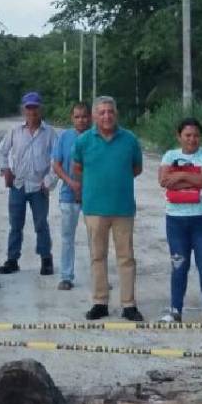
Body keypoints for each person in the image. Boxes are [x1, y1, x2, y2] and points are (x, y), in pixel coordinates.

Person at [71, 96, 144, 321]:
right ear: (94, 115)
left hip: (122, 208)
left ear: (116, 114)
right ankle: (100, 302)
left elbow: (136, 168)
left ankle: (128, 304)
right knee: (97, 257)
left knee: (126, 257)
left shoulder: (130, 139)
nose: (106, 116)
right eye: (101, 112)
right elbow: (77, 168)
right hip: (94, 208)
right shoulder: (83, 141)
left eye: (110, 111)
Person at [158, 117, 202, 325]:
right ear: (179, 136)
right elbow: (164, 181)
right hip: (177, 220)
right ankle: (175, 310)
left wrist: (181, 175)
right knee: (179, 264)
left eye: (195, 135)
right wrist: (195, 178)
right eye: (187, 135)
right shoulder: (170, 155)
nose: (192, 139)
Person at [0, 92, 57, 276]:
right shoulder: (15, 131)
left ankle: (46, 259)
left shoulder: (50, 133)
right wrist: (5, 169)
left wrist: (48, 182)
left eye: (35, 107)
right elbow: (2, 151)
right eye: (28, 107)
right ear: (23, 109)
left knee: (41, 224)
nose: (32, 111)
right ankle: (12, 260)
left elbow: (57, 161)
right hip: (19, 185)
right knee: (15, 224)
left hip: (39, 186)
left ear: (41, 109)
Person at [51, 102, 91, 291]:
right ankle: (66, 276)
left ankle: (99, 277)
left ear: (90, 117)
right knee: (68, 237)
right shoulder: (64, 137)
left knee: (96, 239)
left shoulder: (97, 137)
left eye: (84, 116)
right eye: (77, 116)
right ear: (71, 118)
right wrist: (70, 182)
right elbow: (56, 164)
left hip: (93, 196)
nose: (81, 120)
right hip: (68, 195)